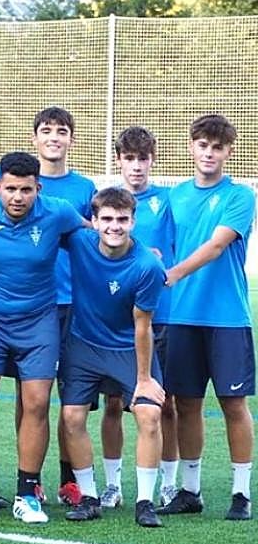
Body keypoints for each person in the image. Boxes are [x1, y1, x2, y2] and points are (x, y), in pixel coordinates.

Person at [0, 152, 86, 525]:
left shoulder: (57, 212)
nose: (17, 197)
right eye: (10, 188)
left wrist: (140, 253)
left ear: (37, 189)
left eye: (26, 190)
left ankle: (27, 494)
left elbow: (96, 234)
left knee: (38, 403)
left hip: (38, 323)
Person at [160, 114, 255, 521]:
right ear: (191, 147)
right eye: (203, 145)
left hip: (227, 317)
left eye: (217, 147)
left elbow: (217, 246)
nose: (209, 153)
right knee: (186, 404)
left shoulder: (241, 195)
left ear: (228, 151)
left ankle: (240, 492)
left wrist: (173, 273)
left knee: (233, 403)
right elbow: (158, 245)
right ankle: (191, 489)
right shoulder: (173, 196)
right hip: (181, 316)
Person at [56, 188, 167, 527]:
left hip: (127, 349)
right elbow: (48, 209)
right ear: (94, 221)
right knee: (72, 417)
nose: (114, 226)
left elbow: (142, 326)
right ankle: (89, 497)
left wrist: (145, 378)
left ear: (133, 221)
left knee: (148, 414)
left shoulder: (148, 265)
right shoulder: (79, 241)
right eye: (107, 219)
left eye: (122, 219)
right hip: (82, 344)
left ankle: (145, 502)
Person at [99, 126, 177, 509]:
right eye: (129, 158)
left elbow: (188, 240)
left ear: (153, 160)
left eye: (143, 158)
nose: (136, 166)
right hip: (112, 318)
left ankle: (169, 483)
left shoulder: (169, 200)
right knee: (114, 403)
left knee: (165, 402)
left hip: (157, 313)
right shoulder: (104, 202)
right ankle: (112, 484)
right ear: (119, 160)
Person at [32, 106, 96, 505]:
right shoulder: (19, 183)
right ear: (35, 138)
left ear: (71, 138)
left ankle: (68, 479)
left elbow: (100, 234)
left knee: (73, 398)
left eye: (61, 131)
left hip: (75, 304)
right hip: (33, 305)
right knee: (32, 396)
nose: (54, 137)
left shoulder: (85, 188)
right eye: (46, 130)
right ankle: (30, 478)